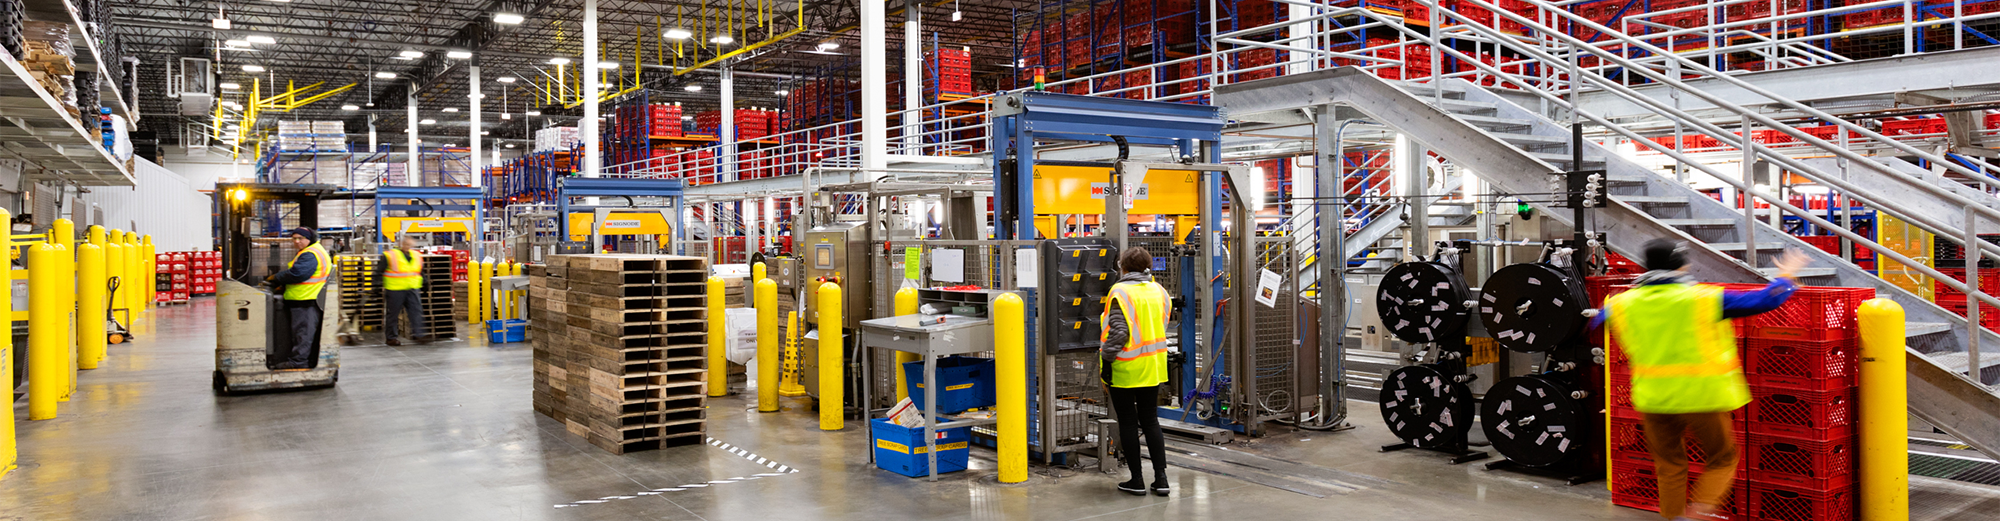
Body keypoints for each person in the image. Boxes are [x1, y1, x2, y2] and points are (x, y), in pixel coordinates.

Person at [1601, 239, 1807, 520]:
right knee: (1722, 458)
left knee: (1670, 465)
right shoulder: (1704, 299)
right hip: (1702, 395)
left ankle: (1674, 517)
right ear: (1682, 265)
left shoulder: (1622, 303)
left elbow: (1596, 320)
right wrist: (1787, 276)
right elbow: (1766, 299)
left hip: (1653, 398)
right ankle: (1698, 513)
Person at [1099, 246, 1171, 497]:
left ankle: (1137, 480)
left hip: (1125, 367)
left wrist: (1106, 361)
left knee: (1128, 423)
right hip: (1153, 366)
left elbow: (1119, 333)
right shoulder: (1159, 291)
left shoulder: (1120, 291)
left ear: (1123, 267)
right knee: (1151, 421)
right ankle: (1161, 480)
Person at [264, 228, 331, 370]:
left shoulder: (310, 254)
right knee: (302, 333)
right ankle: (300, 360)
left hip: (306, 300)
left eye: (300, 238)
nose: (297, 242)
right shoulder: (312, 250)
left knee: (303, 334)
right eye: (294, 239)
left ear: (309, 239)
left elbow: (297, 274)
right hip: (304, 299)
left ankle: (299, 363)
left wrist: (276, 278)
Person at [376, 234, 430, 346]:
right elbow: (378, 271)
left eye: (410, 244)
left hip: (412, 289)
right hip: (395, 289)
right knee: (393, 314)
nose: (407, 246)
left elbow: (420, 271)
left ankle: (419, 335)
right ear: (400, 244)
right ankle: (391, 338)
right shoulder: (390, 255)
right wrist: (376, 285)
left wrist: (425, 282)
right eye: (405, 244)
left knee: (416, 311)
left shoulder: (416, 255)